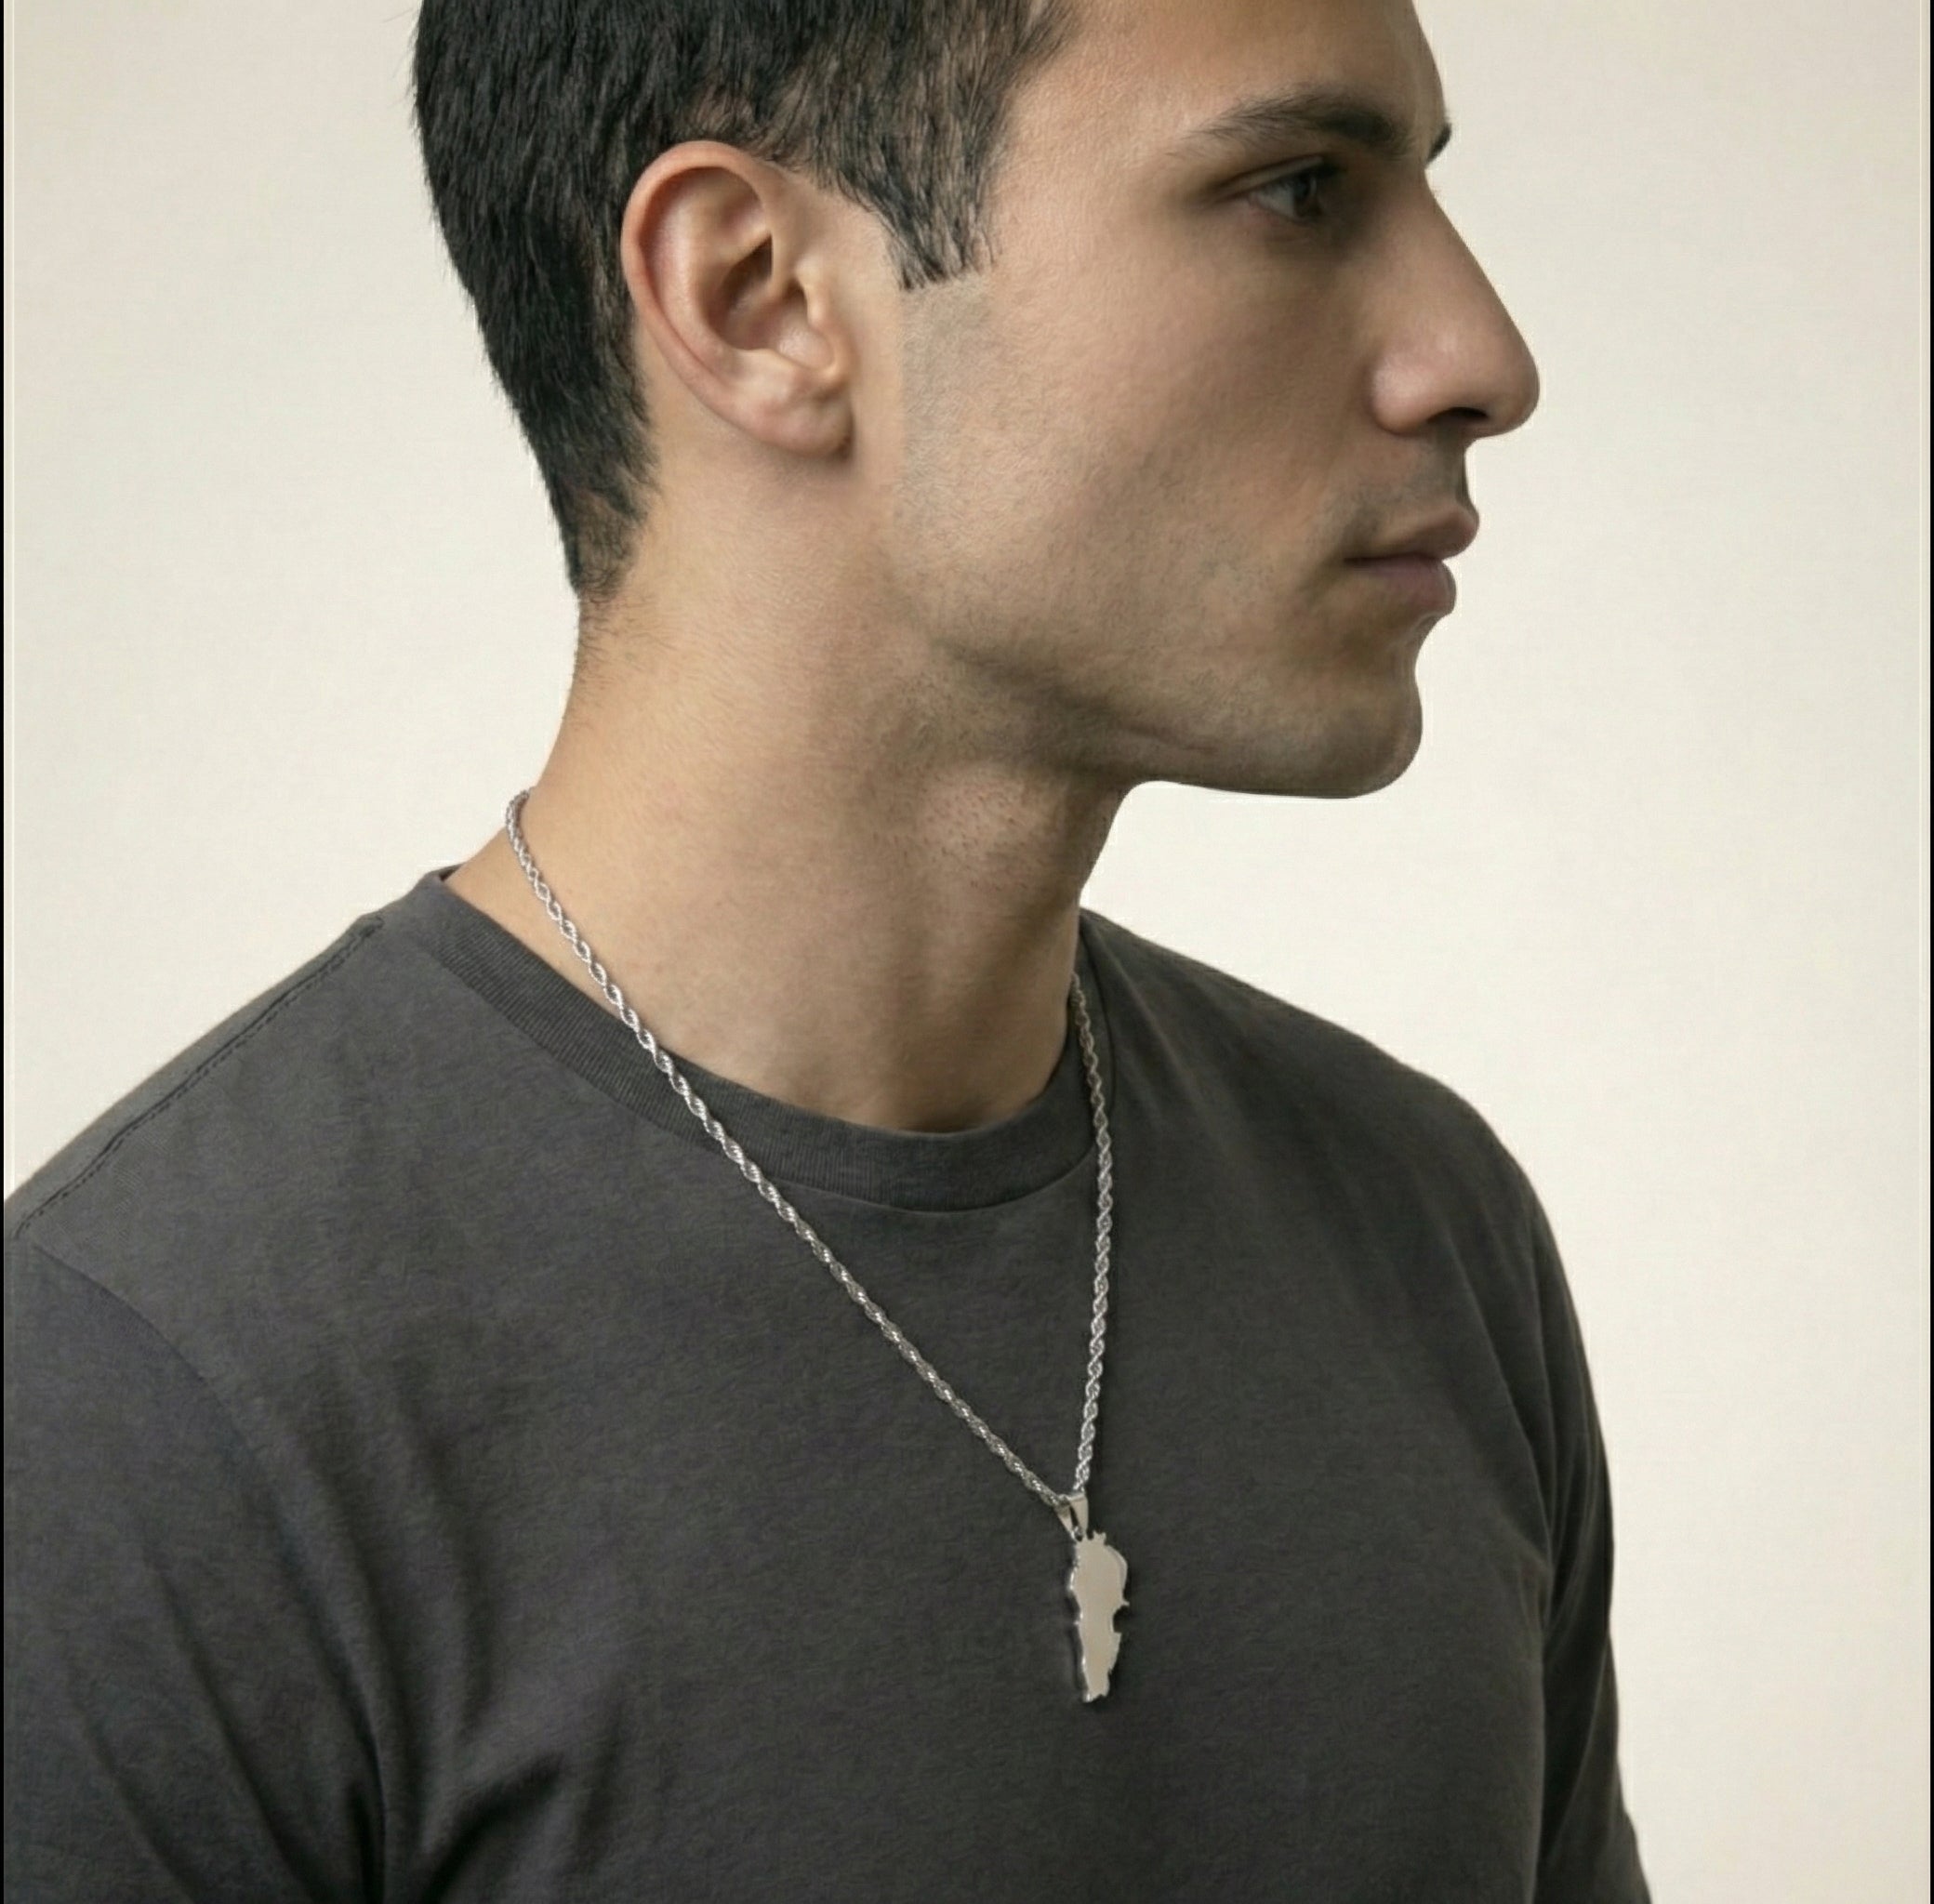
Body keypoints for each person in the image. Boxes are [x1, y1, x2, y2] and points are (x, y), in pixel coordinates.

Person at [4, 0, 1651, 1896]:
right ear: (761, 298)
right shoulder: (136, 1409)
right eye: (1295, 191)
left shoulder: (1419, 1228)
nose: (1481, 358)